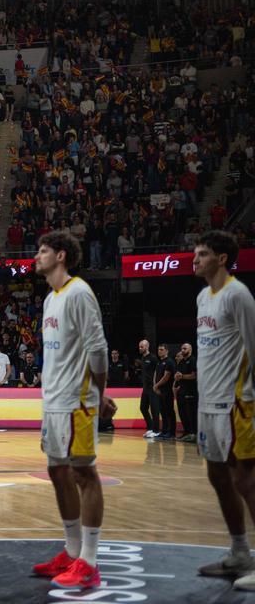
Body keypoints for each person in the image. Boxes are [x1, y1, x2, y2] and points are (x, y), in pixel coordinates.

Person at [30, 230, 114, 591]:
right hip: (54, 400)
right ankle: (71, 549)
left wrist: (100, 392)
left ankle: (90, 562)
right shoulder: (51, 299)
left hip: (78, 400)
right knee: (57, 471)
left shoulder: (79, 292)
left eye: (43, 251)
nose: (37, 256)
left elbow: (97, 348)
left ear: (61, 256)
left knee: (84, 473)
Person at [191, 231, 255, 590]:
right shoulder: (203, 297)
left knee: (246, 481)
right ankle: (240, 552)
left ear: (222, 258)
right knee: (217, 478)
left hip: (235, 404)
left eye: (202, 254)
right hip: (207, 403)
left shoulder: (238, 295)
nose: (195, 260)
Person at [174, 342, 197, 443]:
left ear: (190, 349)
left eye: (185, 349)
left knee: (191, 413)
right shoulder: (182, 361)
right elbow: (179, 375)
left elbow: (194, 375)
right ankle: (187, 432)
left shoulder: (193, 360)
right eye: (182, 348)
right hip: (182, 390)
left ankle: (194, 434)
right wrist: (177, 381)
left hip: (191, 390)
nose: (182, 350)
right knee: (183, 413)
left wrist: (182, 376)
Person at [138, 339, 160, 438]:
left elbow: (158, 371)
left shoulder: (153, 358)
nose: (140, 348)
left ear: (146, 347)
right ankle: (150, 428)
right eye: (139, 347)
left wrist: (156, 385)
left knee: (154, 409)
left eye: (141, 347)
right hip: (145, 388)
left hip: (152, 387)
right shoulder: (142, 358)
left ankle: (156, 430)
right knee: (143, 408)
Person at [153, 344, 176, 441]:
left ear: (167, 351)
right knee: (162, 411)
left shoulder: (169, 362)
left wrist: (157, 385)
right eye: (158, 350)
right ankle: (164, 431)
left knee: (169, 411)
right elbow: (155, 374)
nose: (159, 351)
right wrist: (155, 385)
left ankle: (171, 433)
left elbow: (166, 377)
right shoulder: (159, 362)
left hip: (167, 391)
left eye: (162, 350)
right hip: (159, 391)